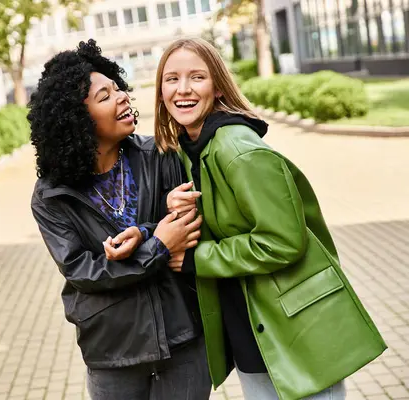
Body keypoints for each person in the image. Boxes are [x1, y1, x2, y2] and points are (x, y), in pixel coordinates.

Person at [154, 37, 387, 400]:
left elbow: (283, 240)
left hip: (296, 330)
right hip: (256, 329)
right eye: (172, 79)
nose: (183, 89)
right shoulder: (195, 148)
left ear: (216, 87)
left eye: (196, 77)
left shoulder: (238, 151)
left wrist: (198, 260)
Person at [29, 39, 212, 400]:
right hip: (113, 350)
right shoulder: (52, 196)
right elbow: (83, 271)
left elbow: (189, 228)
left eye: (118, 88)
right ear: (78, 122)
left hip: (183, 336)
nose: (123, 97)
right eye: (105, 97)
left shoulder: (160, 154)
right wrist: (157, 245)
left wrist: (154, 233)